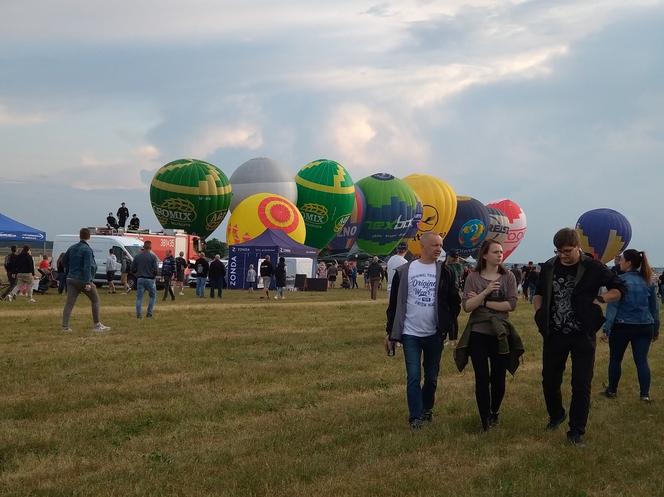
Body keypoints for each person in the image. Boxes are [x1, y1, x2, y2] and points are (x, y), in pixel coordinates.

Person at [533, 228, 626, 446]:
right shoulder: (549, 266)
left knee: (581, 383)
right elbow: (538, 292)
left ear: (578, 247)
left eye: (567, 251)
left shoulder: (593, 267)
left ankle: (576, 431)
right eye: (558, 251)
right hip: (554, 333)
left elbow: (619, 289)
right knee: (549, 380)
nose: (562, 255)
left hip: (582, 334)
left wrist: (601, 299)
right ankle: (556, 415)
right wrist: (538, 312)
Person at [385, 232, 461, 429]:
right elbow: (394, 305)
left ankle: (427, 408)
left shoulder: (446, 272)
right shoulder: (404, 271)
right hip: (410, 333)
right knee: (413, 376)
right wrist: (390, 333)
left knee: (432, 377)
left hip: (434, 333)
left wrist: (450, 328)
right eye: (435, 245)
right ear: (422, 246)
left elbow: (454, 303)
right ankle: (415, 417)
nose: (439, 249)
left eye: (440, 245)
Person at [454, 240, 523, 431]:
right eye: (495, 252)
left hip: (500, 334)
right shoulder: (473, 277)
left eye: (501, 252)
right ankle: (484, 417)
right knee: (481, 377)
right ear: (484, 255)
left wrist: (483, 302)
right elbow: (467, 307)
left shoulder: (508, 276)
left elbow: (511, 305)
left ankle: (494, 411)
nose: (500, 255)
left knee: (499, 377)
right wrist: (486, 292)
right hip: (478, 334)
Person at [602, 249, 660, 401]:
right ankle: (645, 394)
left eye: (621, 260)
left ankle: (612, 390)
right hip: (645, 325)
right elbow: (654, 309)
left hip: (622, 325)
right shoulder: (648, 281)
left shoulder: (620, 281)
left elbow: (613, 307)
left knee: (615, 359)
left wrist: (606, 328)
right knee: (641, 360)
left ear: (628, 263)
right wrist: (656, 329)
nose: (619, 262)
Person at [60, 228, 110, 332]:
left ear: (80, 236)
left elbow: (63, 261)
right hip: (82, 279)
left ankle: (65, 326)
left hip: (71, 278)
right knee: (95, 300)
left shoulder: (72, 247)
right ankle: (97, 325)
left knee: (69, 303)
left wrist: (70, 270)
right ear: (89, 236)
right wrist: (88, 282)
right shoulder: (87, 249)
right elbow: (87, 266)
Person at [132, 240, 159, 318]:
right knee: (152, 296)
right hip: (150, 279)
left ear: (143, 247)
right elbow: (156, 270)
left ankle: (139, 314)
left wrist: (137, 274)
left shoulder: (137, 256)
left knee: (139, 298)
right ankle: (149, 313)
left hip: (140, 279)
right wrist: (154, 275)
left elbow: (133, 268)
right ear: (150, 247)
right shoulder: (153, 257)